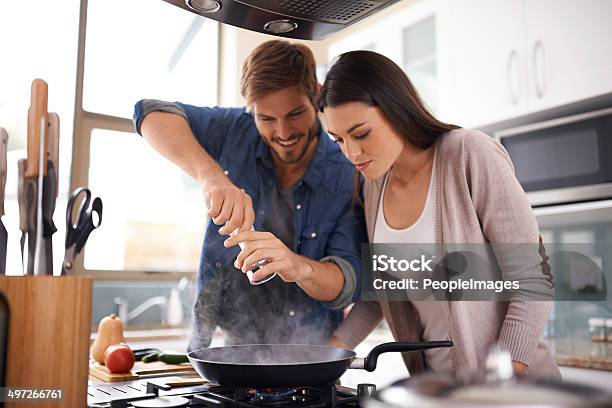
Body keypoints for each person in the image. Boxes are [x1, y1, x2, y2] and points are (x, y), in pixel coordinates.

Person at [318, 50, 560, 378]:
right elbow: (382, 295)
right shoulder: (373, 184)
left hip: (515, 390)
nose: (352, 153)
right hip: (439, 389)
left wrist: (502, 380)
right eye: (339, 140)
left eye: (361, 134)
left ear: (395, 109)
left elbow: (533, 280)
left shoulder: (469, 154)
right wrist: (325, 356)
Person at [132, 40, 365, 350]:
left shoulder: (346, 171)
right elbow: (148, 114)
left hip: (310, 357)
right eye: (266, 118)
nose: (282, 133)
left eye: (295, 114)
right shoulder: (235, 130)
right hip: (225, 346)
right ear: (251, 110)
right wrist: (213, 179)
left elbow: (346, 281)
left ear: (316, 99)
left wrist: (295, 266)